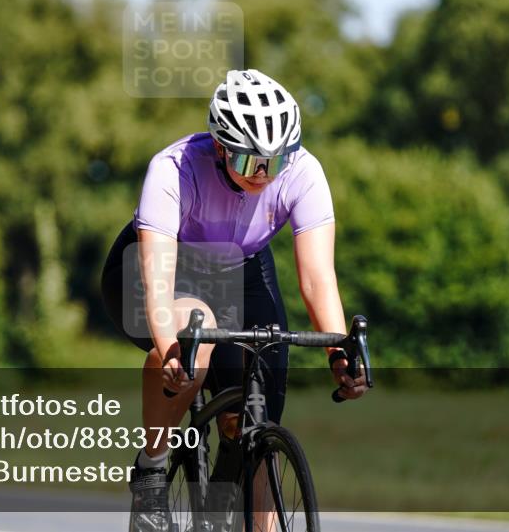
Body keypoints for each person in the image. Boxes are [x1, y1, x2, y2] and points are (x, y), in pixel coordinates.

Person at [101, 70, 369, 532]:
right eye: (250, 163)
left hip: (241, 267)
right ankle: (152, 469)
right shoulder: (174, 168)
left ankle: (235, 483)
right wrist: (170, 349)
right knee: (194, 336)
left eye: (275, 162)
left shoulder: (304, 172)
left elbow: (318, 277)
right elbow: (159, 280)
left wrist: (338, 351)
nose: (264, 176)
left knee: (255, 401)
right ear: (221, 147)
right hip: (161, 267)